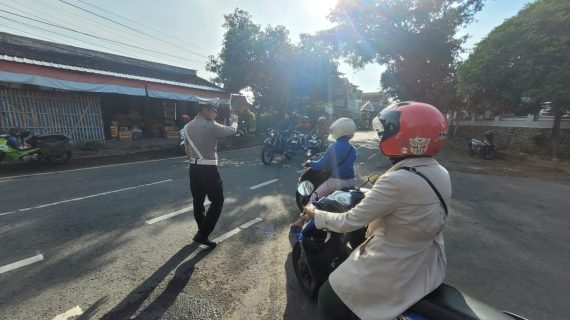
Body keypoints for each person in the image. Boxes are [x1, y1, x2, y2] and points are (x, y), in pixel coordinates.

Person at [303, 102, 452, 320]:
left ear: (406, 136)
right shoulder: (440, 171)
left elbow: (349, 221)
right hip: (427, 257)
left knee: (327, 295)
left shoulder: (397, 180)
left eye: (386, 131)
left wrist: (316, 215)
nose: (382, 137)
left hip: (396, 263)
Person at [184, 100, 238, 248]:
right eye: (214, 111)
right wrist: (235, 122)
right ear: (206, 110)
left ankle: (202, 232)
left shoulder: (187, 127)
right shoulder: (210, 126)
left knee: (198, 201)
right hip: (208, 168)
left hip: (193, 168)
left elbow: (187, 151)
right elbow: (231, 130)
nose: (216, 114)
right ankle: (202, 234)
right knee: (218, 201)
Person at [290, 117, 357, 229]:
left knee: (314, 197)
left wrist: (310, 162)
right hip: (351, 181)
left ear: (341, 130)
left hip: (336, 181)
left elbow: (322, 164)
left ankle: (301, 220)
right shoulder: (353, 149)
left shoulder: (334, 146)